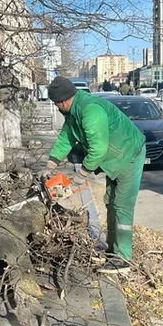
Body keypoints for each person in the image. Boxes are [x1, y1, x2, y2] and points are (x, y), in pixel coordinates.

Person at [40, 76, 146, 275]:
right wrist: (50, 165)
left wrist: (81, 175)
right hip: (114, 158)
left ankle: (123, 260)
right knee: (111, 202)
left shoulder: (90, 110)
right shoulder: (73, 112)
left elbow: (98, 149)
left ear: (62, 101)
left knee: (122, 205)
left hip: (129, 155)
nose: (57, 107)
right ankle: (113, 251)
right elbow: (66, 138)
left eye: (56, 104)